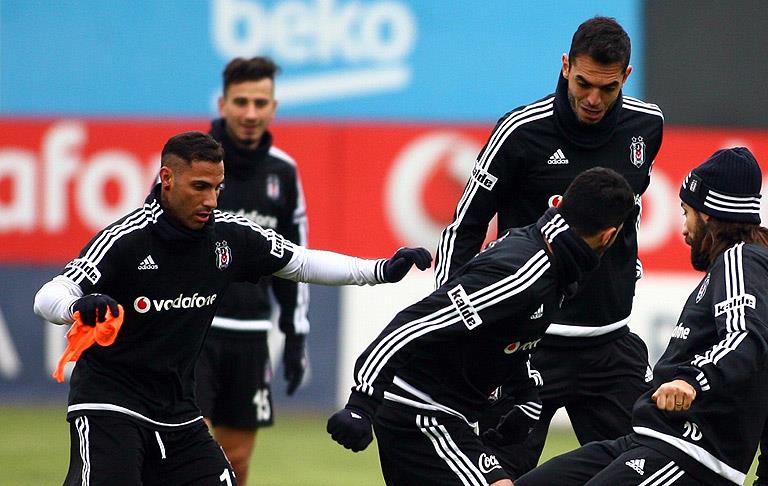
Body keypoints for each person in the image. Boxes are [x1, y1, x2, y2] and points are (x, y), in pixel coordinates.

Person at [33, 131, 432, 486]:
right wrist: (77, 306)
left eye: (217, 188)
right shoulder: (127, 239)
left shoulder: (230, 236)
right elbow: (48, 296)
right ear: (167, 179)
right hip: (108, 403)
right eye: (200, 187)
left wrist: (378, 270)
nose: (210, 200)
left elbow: (301, 262)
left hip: (177, 410)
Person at [434, 16, 664, 477]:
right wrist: (455, 323)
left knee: (650, 470)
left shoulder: (647, 125)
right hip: (524, 347)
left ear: (626, 76)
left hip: (610, 344)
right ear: (565, 66)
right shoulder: (520, 132)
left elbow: (631, 209)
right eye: (583, 83)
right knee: (497, 477)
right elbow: (463, 228)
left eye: (608, 88)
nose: (594, 99)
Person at [328, 168, 636, 486]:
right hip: (421, 412)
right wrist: (362, 403)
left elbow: (511, 336)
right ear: (609, 235)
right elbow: (414, 324)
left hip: (450, 414)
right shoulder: (523, 275)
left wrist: (526, 397)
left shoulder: (553, 260)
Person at [516, 147, 768, 486]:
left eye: (686, 213)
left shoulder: (741, 261)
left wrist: (692, 380)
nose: (684, 230)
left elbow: (743, 338)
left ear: (708, 215)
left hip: (689, 455)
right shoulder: (764, 280)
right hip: (646, 441)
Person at [194, 56, 306, 485]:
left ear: (273, 107)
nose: (250, 113)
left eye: (260, 102)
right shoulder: (191, 162)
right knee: (189, 454)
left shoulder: (284, 172)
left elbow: (295, 259)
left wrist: (295, 336)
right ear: (223, 104)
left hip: (251, 334)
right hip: (193, 330)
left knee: (236, 461)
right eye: (241, 101)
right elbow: (150, 234)